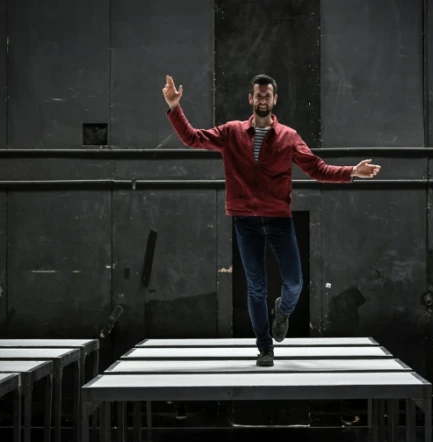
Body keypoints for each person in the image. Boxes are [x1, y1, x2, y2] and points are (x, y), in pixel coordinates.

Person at [163, 74, 381, 367]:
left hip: (278, 219)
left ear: (274, 100)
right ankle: (265, 348)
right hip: (245, 220)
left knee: (294, 283)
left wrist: (351, 171)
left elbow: (317, 169)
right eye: (258, 95)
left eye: (268, 96)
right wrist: (175, 107)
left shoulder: (289, 137)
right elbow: (192, 138)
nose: (263, 100)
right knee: (256, 288)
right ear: (250, 99)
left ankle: (283, 312)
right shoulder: (231, 132)